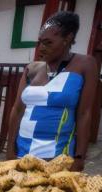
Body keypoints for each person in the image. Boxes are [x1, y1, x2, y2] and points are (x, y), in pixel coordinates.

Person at [6, 11, 98, 171]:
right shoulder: (32, 69)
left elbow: (85, 114)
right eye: (40, 42)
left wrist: (79, 157)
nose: (41, 48)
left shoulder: (85, 64)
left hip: (57, 160)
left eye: (48, 43)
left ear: (67, 39)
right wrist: (9, 150)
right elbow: (17, 110)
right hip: (22, 155)